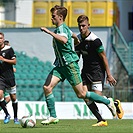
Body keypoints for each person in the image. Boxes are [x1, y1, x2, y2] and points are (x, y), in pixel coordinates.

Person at [40, 5, 116, 125]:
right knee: (47, 87)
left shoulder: (61, 30)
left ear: (60, 17)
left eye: (53, 16)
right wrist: (76, 40)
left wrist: (49, 32)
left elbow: (64, 40)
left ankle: (108, 102)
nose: (51, 19)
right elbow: (73, 35)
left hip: (70, 66)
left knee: (81, 94)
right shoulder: (64, 28)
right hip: (61, 66)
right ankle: (53, 116)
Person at [74, 15, 124, 126]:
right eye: (79, 26)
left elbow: (104, 57)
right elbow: (77, 58)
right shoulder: (77, 40)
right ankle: (101, 120)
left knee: (97, 97)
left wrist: (109, 75)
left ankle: (114, 103)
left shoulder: (95, 40)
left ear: (88, 26)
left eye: (83, 26)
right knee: (84, 96)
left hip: (97, 71)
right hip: (85, 71)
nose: (81, 28)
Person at [0, 32, 19, 124]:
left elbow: (14, 61)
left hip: (9, 77)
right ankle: (7, 114)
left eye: (0, 38)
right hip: (1, 77)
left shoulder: (9, 49)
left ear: (3, 39)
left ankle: (15, 117)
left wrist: (4, 60)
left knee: (13, 98)